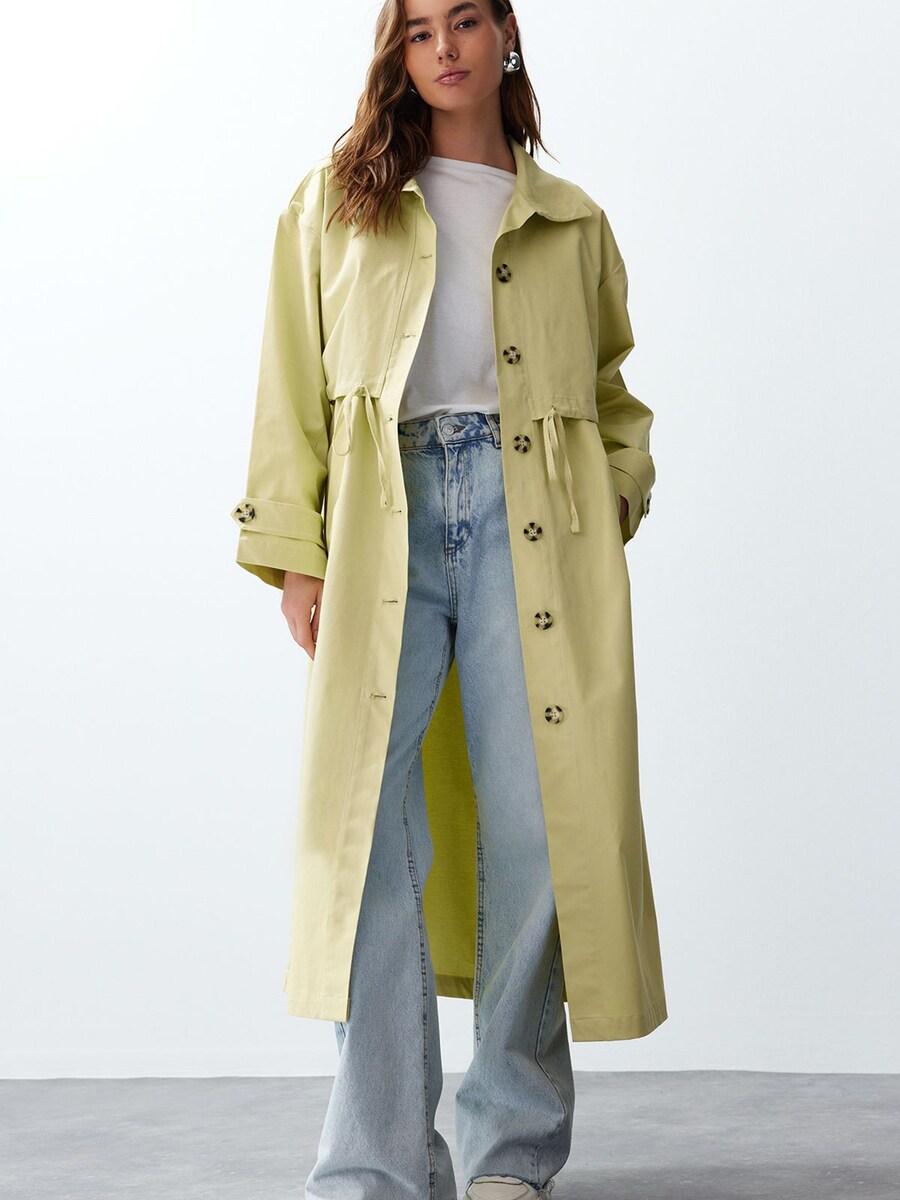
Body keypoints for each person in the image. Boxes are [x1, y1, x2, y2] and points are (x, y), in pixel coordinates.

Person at [231, 2, 667, 1197]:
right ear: (398, 54)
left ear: (504, 34)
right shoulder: (337, 203)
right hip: (389, 524)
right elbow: (290, 382)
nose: (444, 49)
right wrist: (297, 552)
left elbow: (615, 394)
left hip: (540, 532)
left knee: (536, 827)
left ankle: (509, 1149)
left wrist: (615, 490)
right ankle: (374, 1156)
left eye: (464, 21)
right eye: (417, 31)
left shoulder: (570, 220)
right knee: (363, 832)